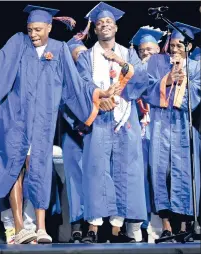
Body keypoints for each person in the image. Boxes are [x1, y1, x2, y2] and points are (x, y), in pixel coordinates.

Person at [0, 5, 116, 244]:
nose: (33, 34)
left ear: (49, 27)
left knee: (40, 169)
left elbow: (74, 84)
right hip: (14, 118)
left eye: (38, 30)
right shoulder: (18, 43)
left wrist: (95, 93)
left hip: (43, 121)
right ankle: (20, 226)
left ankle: (41, 228)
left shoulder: (59, 49)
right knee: (15, 168)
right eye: (30, 29)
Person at [75, 2, 149, 243]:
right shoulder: (87, 56)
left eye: (108, 22)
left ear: (116, 28)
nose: (104, 25)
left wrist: (119, 60)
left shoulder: (128, 53)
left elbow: (141, 80)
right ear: (95, 30)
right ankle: (94, 228)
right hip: (99, 117)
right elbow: (83, 83)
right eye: (99, 23)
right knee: (96, 171)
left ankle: (117, 230)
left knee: (124, 171)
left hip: (125, 117)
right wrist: (100, 96)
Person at [142, 21, 201, 241]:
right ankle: (166, 224)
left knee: (184, 173)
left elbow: (197, 93)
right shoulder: (157, 63)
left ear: (190, 48)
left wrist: (184, 80)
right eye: (172, 45)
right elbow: (146, 88)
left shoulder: (196, 67)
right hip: (160, 124)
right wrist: (167, 80)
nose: (174, 49)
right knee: (159, 172)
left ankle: (185, 224)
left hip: (184, 126)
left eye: (179, 46)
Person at [128, 26, 165, 242]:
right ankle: (134, 228)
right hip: (136, 132)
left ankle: (158, 228)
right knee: (136, 179)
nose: (146, 54)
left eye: (150, 50)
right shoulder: (134, 73)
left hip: (159, 131)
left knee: (157, 178)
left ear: (158, 50)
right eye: (142, 51)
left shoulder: (164, 71)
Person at [61, 36, 88, 243]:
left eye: (84, 53)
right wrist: (76, 125)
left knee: (96, 179)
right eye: (76, 54)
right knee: (74, 180)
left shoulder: (94, 75)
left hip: (95, 132)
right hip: (72, 135)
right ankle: (77, 225)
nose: (81, 57)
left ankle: (95, 227)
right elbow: (62, 105)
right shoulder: (64, 78)